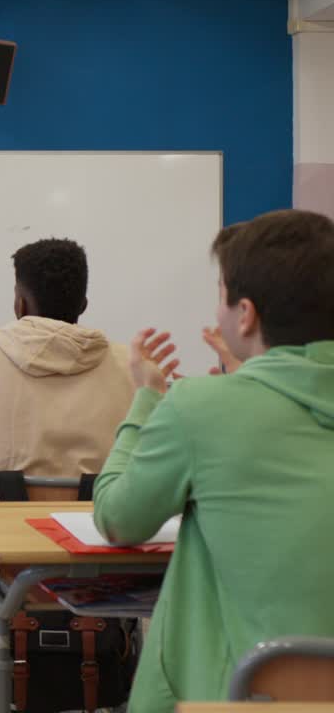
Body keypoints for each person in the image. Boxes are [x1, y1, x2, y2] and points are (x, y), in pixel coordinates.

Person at [94, 210, 334, 712]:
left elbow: (119, 518)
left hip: (242, 696)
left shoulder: (199, 406)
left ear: (244, 314)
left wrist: (147, 397)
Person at [0, 238, 133, 707]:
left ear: (19, 301)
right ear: (83, 303)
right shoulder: (131, 364)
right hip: (109, 559)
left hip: (11, 564)